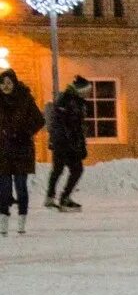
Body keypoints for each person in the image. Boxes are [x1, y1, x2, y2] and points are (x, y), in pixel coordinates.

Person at [0, 68, 44, 237]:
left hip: (21, 150)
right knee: (3, 189)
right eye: (2, 83)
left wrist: (24, 133)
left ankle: (21, 221)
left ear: (15, 83)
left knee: (21, 187)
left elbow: (39, 120)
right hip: (3, 151)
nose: (5, 86)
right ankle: (3, 221)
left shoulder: (25, 99)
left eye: (9, 83)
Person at [44, 76, 92, 212]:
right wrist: (69, 142)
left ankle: (63, 197)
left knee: (75, 170)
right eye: (87, 90)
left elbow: (79, 127)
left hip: (71, 143)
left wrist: (80, 145)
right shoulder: (66, 101)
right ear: (80, 90)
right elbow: (66, 125)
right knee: (59, 169)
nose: (88, 94)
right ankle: (51, 197)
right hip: (63, 143)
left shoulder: (78, 102)